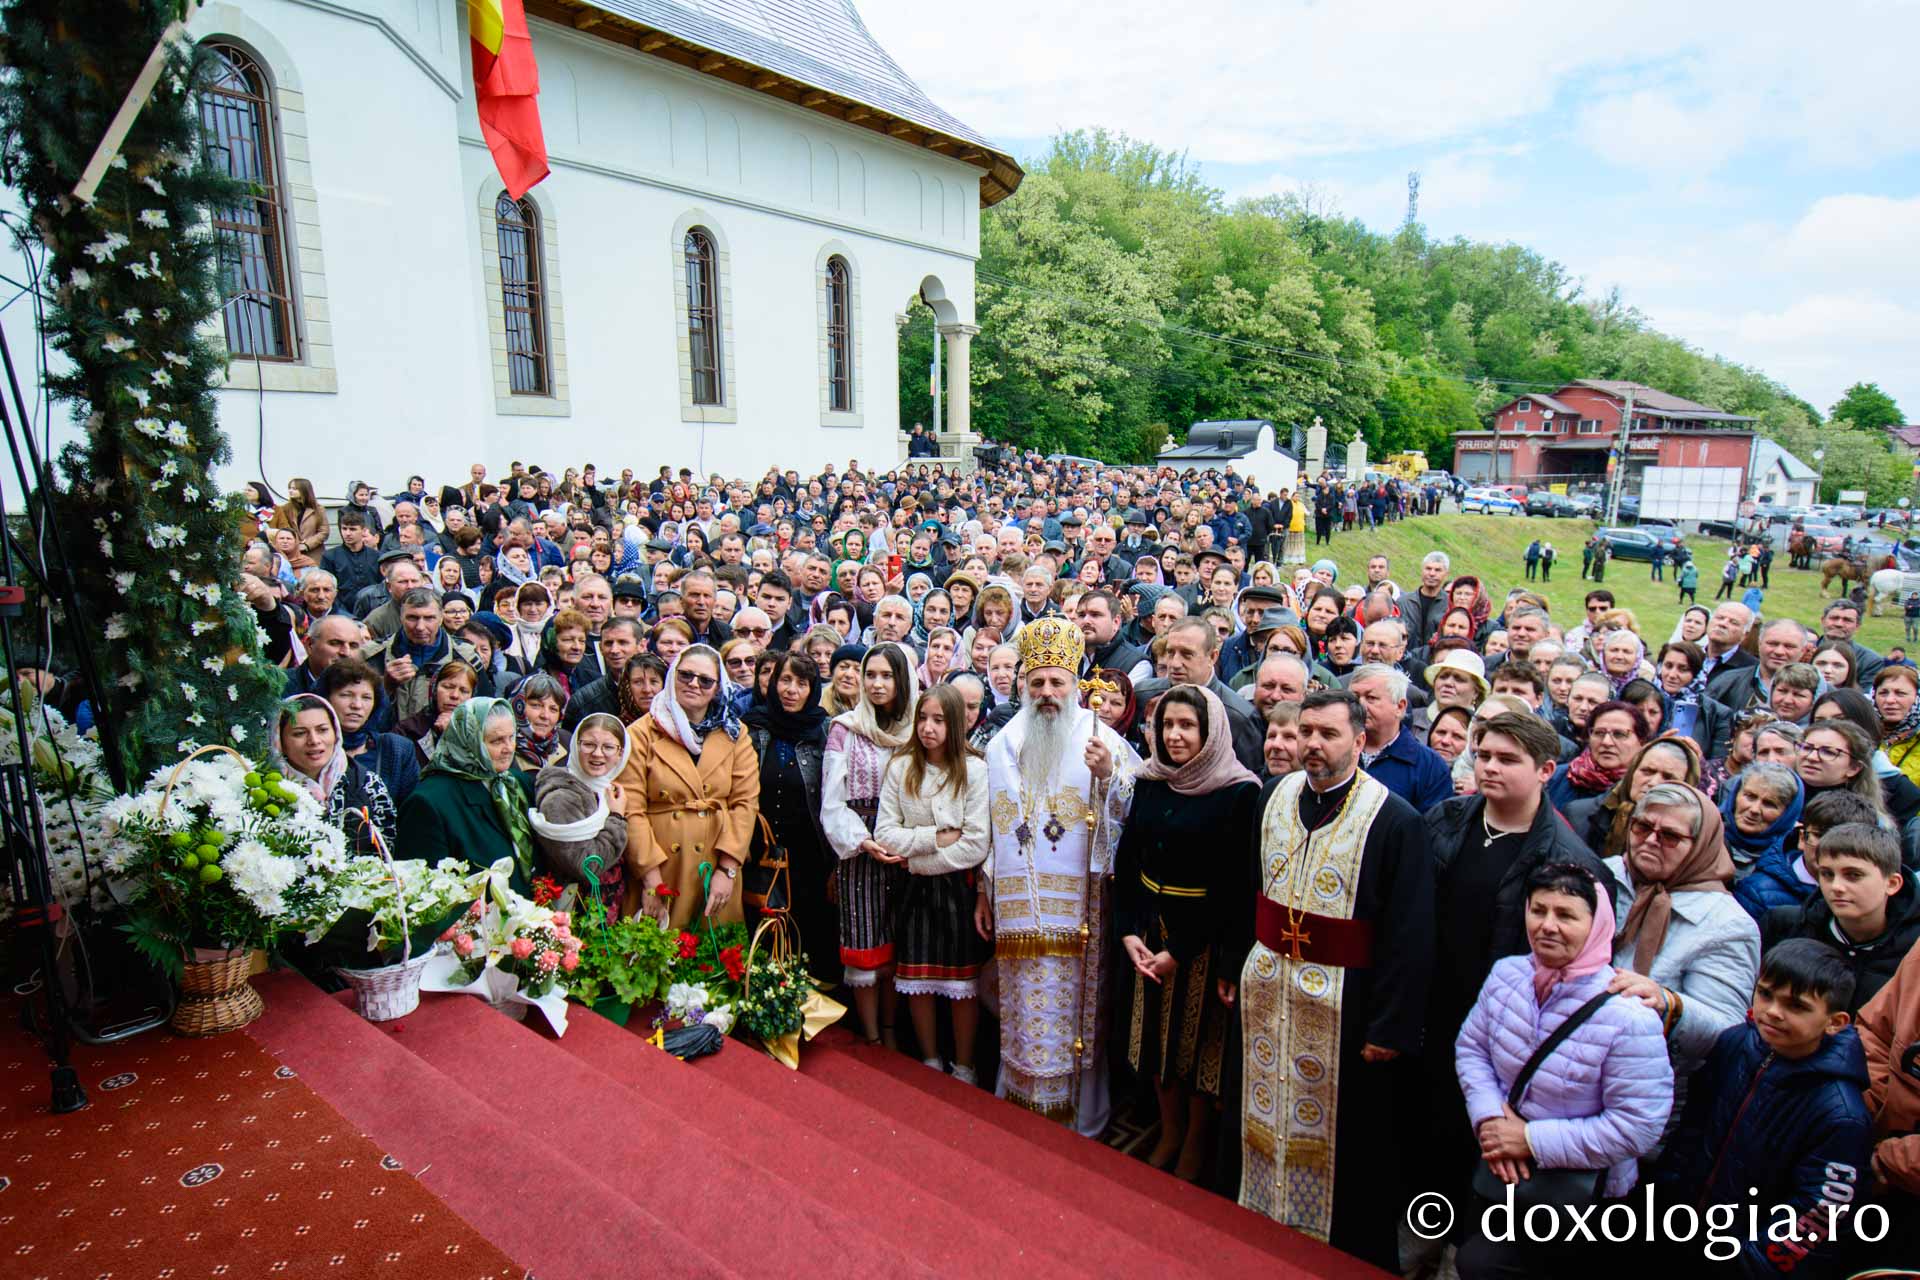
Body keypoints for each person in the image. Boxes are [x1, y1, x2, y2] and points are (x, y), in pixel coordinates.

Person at [1221, 688, 1432, 1269]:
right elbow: (1248, 889)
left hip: (1348, 1005)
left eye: (1329, 734)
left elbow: (1409, 934)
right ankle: (1252, 1221)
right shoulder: (1273, 796)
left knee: (1347, 1143)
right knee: (1254, 1113)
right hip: (1267, 989)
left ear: (1360, 741)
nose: (1313, 744)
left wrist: (1391, 1025)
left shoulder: (1395, 820)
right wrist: (1231, 965)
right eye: (1306, 731)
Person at [1452, 862, 1672, 1280]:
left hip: (1576, 1199)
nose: (1547, 926)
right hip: (1499, 1169)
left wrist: (1531, 1140)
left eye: (1566, 915)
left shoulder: (1628, 1018)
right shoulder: (1507, 975)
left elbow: (1639, 1124)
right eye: (1538, 910)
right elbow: (1472, 1048)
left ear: (1598, 924)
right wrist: (1490, 1121)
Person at [978, 616, 1141, 1135]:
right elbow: (990, 824)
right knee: (1025, 1010)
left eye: (1058, 682)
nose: (1047, 692)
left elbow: (1133, 808)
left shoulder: (1103, 740)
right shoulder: (1002, 744)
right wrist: (986, 890)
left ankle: (1081, 1114)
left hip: (1082, 910)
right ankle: (1020, 1098)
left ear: (1075, 684)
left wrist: (1108, 779)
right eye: (1038, 682)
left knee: (1079, 1018)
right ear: (1024, 683)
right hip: (1021, 915)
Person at [1653, 939, 1873, 1280]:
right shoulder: (1735, 1043)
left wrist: (1749, 1263)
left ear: (1835, 1022)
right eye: (1766, 993)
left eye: (1796, 1006)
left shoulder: (1841, 1115)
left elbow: (1818, 1216)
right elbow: (1691, 1129)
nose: (1772, 1011)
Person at [1114, 685, 1259, 1180]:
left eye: (1186, 726)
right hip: (1150, 928)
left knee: (1197, 1050)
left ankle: (1195, 1141)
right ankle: (1168, 1129)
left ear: (1211, 732)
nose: (1174, 736)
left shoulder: (1240, 793)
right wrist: (1129, 930)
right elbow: (1129, 855)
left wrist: (1180, 950)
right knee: (1154, 1039)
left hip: (1201, 937)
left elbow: (1235, 885)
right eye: (1166, 725)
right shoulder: (1152, 779)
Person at [875, 684, 990, 1085]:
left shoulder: (974, 770)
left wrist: (917, 858)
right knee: (918, 978)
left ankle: (964, 1065)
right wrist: (935, 837)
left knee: (962, 982)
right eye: (923, 718)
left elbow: (975, 843)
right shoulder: (901, 766)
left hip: (956, 887)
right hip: (912, 889)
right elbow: (886, 832)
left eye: (939, 720)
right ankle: (929, 1059)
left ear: (956, 724)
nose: (928, 728)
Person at [1605, 783, 1761, 1077]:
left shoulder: (1727, 924)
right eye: (1642, 827)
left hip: (1651, 1081)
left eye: (1670, 836)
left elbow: (1728, 1030)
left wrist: (1671, 1005)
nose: (1651, 840)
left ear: (1700, 846)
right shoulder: (1602, 876)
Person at [614, 644, 759, 927]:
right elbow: (631, 808)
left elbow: (745, 803)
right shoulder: (641, 733)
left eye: (705, 680)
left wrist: (728, 870)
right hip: (662, 867)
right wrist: (651, 877)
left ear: (717, 687)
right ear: (672, 677)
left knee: (714, 957)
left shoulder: (735, 733)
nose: (694, 684)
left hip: (715, 866)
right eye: (685, 675)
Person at [822, 642, 919, 1045]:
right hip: (861, 849)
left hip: (907, 851)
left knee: (899, 942)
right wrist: (861, 841)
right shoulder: (845, 728)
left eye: (887, 676)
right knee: (865, 942)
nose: (878, 684)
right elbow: (832, 800)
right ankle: (872, 1036)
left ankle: (894, 1033)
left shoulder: (917, 727)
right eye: (871, 675)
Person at [742, 651, 838, 983]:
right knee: (763, 931)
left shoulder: (826, 731)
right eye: (785, 680)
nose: (792, 690)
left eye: (802, 683)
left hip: (810, 856)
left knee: (809, 931)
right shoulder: (754, 727)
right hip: (760, 853)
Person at [397, 697, 538, 892]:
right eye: (496, 740)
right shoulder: (429, 802)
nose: (508, 748)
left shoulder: (516, 783)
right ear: (468, 741)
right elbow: (422, 891)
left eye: (512, 737)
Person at [528, 711, 631, 910]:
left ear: (621, 754)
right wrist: (616, 818)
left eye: (608, 747)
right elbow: (586, 865)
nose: (598, 753)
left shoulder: (608, 791)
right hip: (574, 912)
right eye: (589, 744)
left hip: (606, 906)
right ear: (576, 746)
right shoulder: (561, 795)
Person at [268, 693, 396, 853]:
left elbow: (386, 851)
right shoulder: (269, 791)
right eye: (299, 733)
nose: (314, 740)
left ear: (335, 733)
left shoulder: (367, 784)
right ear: (280, 741)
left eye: (322, 730)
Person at [318, 656, 421, 806]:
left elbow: (411, 809)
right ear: (326, 698)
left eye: (366, 697)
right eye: (346, 695)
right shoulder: (313, 747)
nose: (357, 705)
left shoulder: (396, 749)